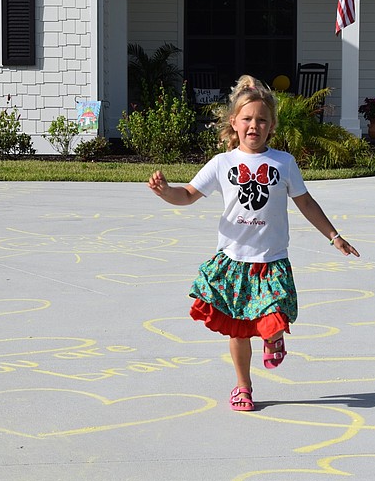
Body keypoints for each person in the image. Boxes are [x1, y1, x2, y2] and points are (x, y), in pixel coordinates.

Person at [147, 75, 361, 412]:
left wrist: (334, 236)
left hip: (271, 259)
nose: (254, 126)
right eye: (247, 119)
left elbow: (306, 203)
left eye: (262, 120)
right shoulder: (222, 163)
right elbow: (187, 194)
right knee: (239, 329)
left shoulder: (283, 163)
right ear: (234, 122)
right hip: (234, 260)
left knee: (273, 313)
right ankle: (243, 386)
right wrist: (165, 192)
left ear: (272, 125)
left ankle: (273, 339)